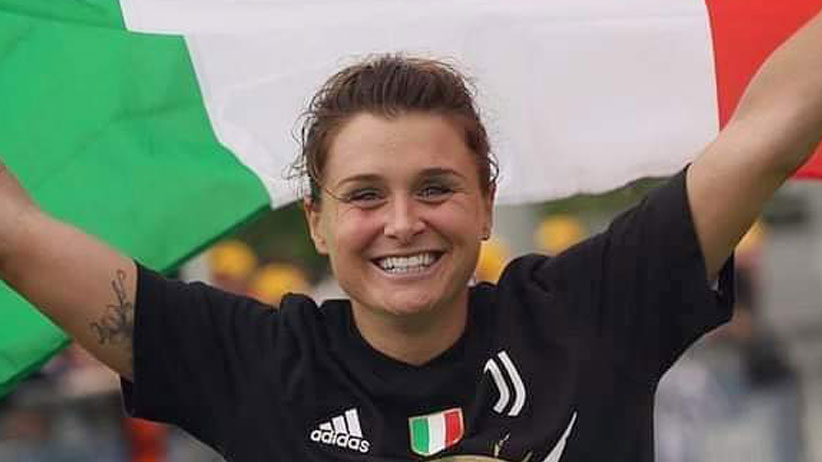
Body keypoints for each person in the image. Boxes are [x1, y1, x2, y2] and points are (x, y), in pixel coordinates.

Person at [1, 9, 821, 461]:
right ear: (317, 222)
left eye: (436, 188)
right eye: (365, 195)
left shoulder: (591, 313)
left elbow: (772, 128)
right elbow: (16, 233)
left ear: (487, 203)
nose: (403, 222)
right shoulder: (254, 363)